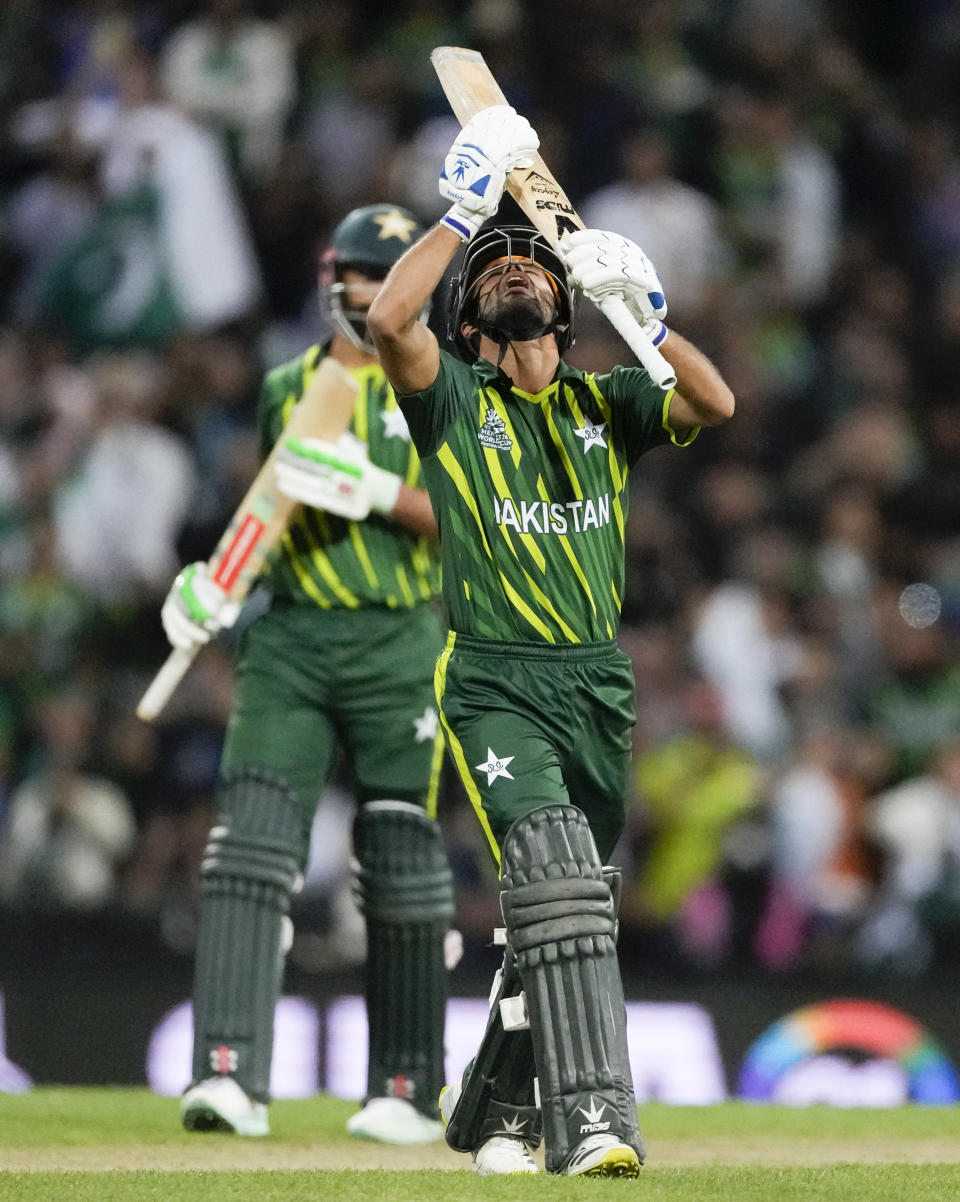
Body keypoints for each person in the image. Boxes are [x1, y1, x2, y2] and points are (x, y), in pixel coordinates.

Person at [366, 104, 734, 1177]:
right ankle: (597, 1120)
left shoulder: (608, 402)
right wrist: (463, 208)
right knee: (562, 884)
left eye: (531, 270)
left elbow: (716, 402)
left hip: (597, 684)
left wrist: (650, 320)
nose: (513, 276)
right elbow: (392, 325)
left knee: (562, 907)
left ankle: (499, 1112)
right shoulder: (452, 402)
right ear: (474, 323)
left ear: (566, 314)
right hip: (493, 680)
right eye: (493, 277)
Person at [159, 203, 455, 1144]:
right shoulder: (289, 383)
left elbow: (475, 522)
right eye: (353, 277)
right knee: (248, 849)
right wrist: (210, 588)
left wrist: (377, 493)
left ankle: (406, 1088)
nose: (361, 295)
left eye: (380, 278)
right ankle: (228, 1075)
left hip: (400, 638)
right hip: (290, 636)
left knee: (402, 860)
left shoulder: (448, 387)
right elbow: (261, 512)